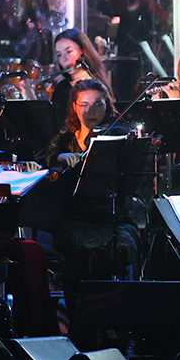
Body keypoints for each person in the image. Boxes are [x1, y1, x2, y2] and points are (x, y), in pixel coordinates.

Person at [42, 78, 140, 306]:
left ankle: (121, 307)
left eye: (97, 104)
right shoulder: (64, 140)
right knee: (75, 246)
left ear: (107, 106)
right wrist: (58, 158)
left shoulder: (116, 137)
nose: (91, 111)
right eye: (84, 105)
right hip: (75, 216)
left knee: (125, 244)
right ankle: (79, 308)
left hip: (112, 215)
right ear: (74, 107)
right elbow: (41, 159)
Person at [48, 28, 113, 120]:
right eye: (59, 55)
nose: (64, 59)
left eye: (69, 51)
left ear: (83, 50)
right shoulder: (61, 89)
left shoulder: (99, 86)